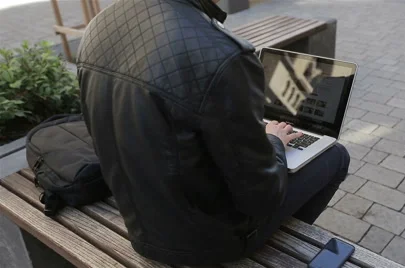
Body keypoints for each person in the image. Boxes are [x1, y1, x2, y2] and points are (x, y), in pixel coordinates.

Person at [77, 0, 350, 265]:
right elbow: (261, 196)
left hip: (138, 220)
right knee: (336, 156)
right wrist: (274, 141)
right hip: (207, 244)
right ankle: (281, 247)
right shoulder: (222, 54)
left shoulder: (99, 24)